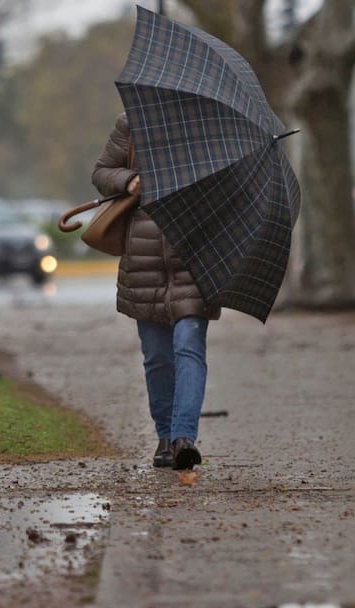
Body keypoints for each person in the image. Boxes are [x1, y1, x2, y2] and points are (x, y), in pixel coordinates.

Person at [92, 112, 221, 471]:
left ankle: (183, 439)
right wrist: (128, 180)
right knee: (157, 358)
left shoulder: (211, 128)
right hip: (144, 261)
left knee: (188, 347)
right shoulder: (132, 122)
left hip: (195, 259)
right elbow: (101, 172)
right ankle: (165, 436)